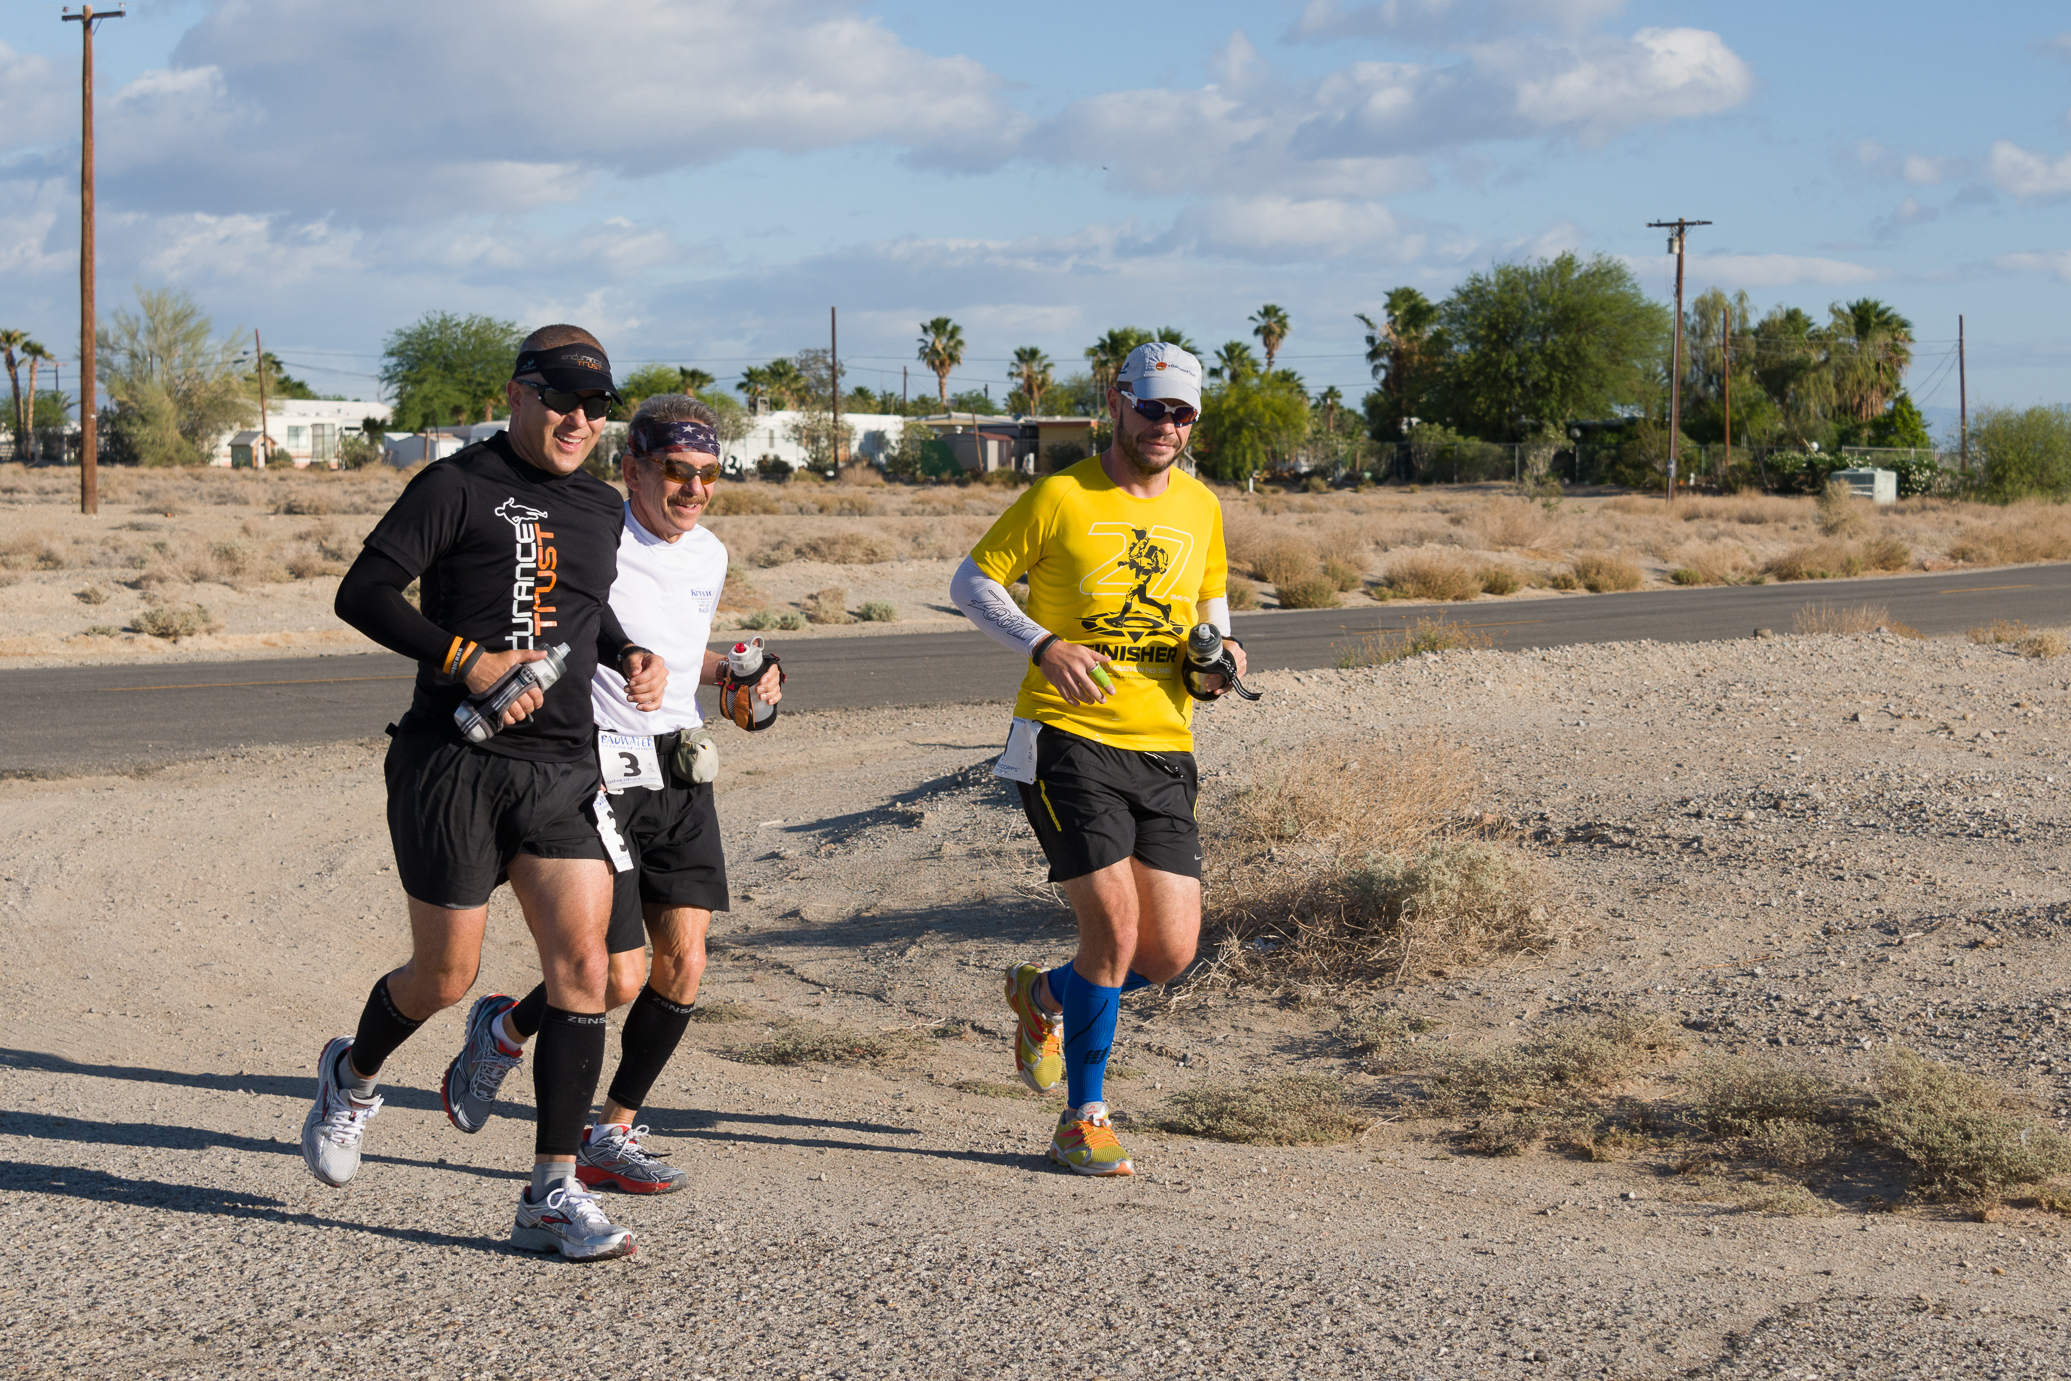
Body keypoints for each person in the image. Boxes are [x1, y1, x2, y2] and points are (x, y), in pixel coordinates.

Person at [303, 325, 666, 1262]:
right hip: (451, 761)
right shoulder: (453, 485)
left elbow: (584, 601)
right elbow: (364, 592)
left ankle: (549, 1193)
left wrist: (626, 649)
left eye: (597, 406)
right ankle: (352, 1074)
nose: (579, 419)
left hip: (558, 767)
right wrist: (465, 659)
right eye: (561, 399)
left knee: (583, 969)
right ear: (517, 393)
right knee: (444, 975)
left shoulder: (596, 505)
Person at [438, 393, 783, 1196]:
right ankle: (507, 1025)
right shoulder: (592, 534)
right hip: (594, 763)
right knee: (618, 976)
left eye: (709, 474)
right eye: (675, 471)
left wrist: (741, 675)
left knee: (685, 964)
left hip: (680, 765)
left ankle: (612, 1129)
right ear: (631, 468)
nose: (693, 489)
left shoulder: (710, 554)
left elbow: (672, 657)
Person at [949, 341, 1246, 1177]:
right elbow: (972, 584)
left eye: (1181, 412)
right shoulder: (1059, 494)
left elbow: (1210, 618)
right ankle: (1083, 1116)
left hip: (1164, 744)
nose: (1165, 425)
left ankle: (1041, 995)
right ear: (1115, 403)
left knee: (1167, 955)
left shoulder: (1200, 508)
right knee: (1112, 931)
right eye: (1151, 407)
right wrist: (1043, 643)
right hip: (1064, 738)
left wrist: (1220, 662)